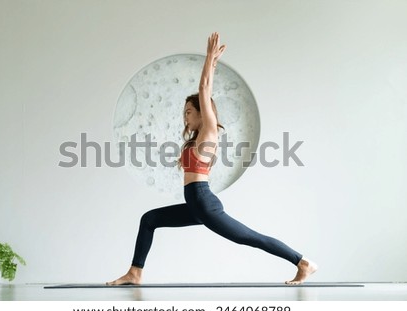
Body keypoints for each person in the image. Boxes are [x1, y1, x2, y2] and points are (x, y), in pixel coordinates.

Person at [107, 32, 317, 286]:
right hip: (196, 204)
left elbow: (204, 88)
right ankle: (135, 272)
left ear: (202, 113)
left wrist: (209, 61)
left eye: (188, 112)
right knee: (149, 219)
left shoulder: (208, 133)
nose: (185, 118)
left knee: (250, 238)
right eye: (184, 113)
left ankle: (302, 262)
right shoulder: (196, 139)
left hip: (203, 203)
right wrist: (211, 63)